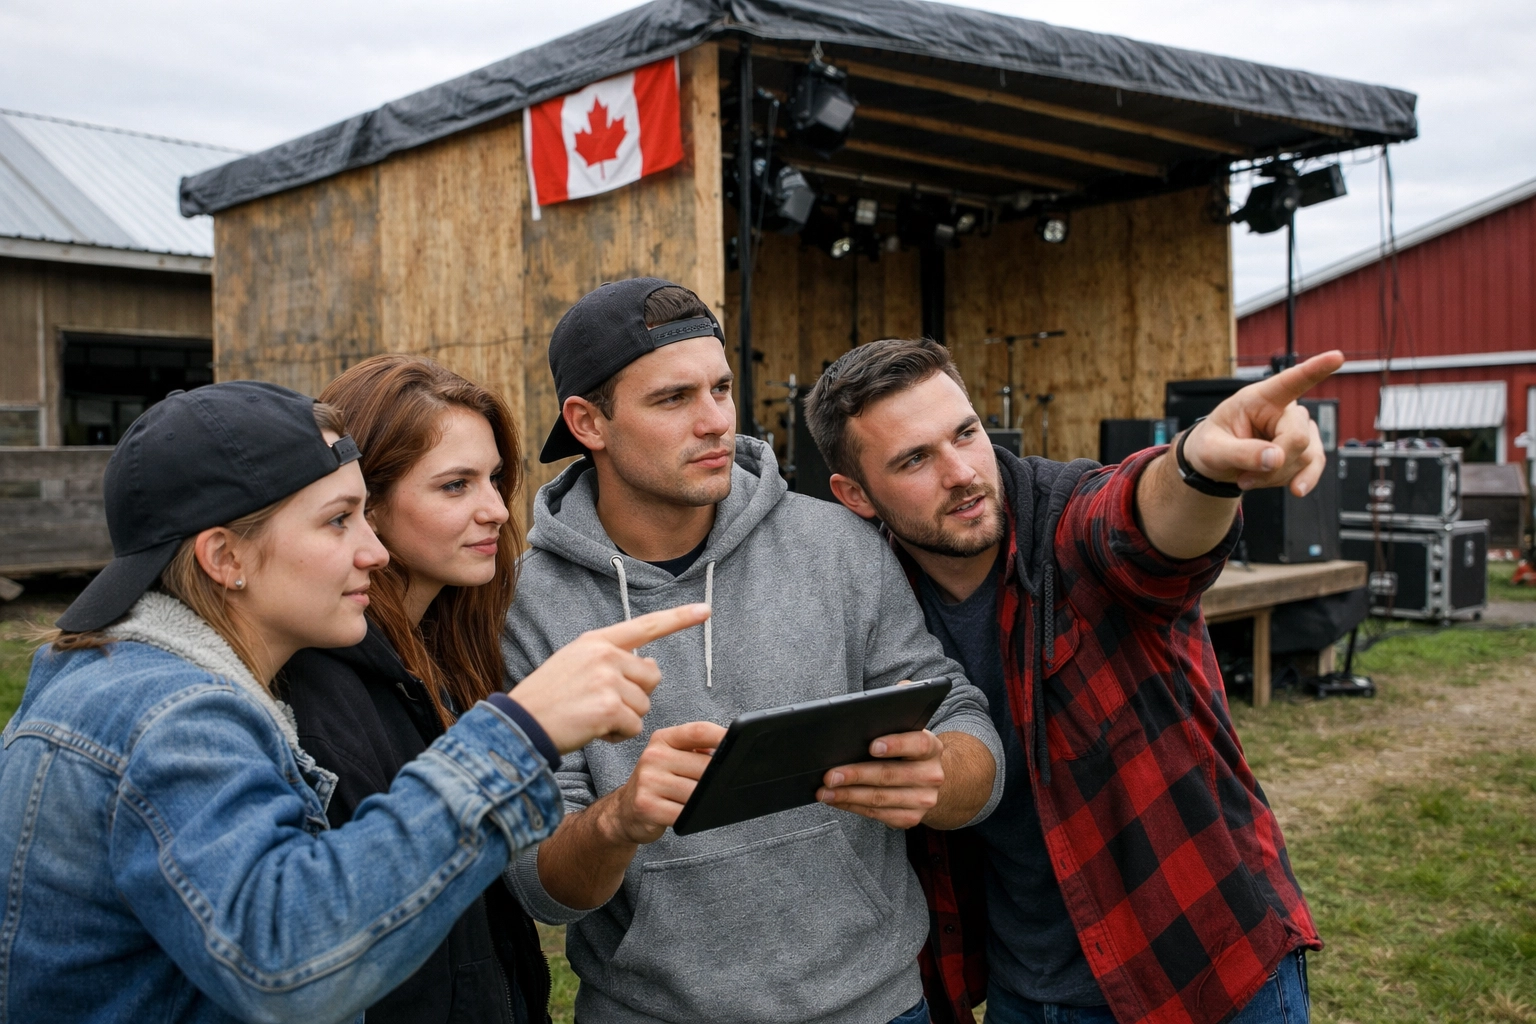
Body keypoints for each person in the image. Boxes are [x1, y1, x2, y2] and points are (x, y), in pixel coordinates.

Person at [0, 380, 708, 1023]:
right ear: (225, 558)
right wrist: (519, 734)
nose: (374, 551)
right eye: (339, 520)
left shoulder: (155, 687)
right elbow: (289, 965)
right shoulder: (169, 716)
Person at [500, 278, 1004, 1024]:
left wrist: (941, 771)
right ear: (588, 422)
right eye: (673, 399)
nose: (714, 422)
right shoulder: (527, 606)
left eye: (721, 388)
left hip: (878, 1005)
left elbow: (961, 720)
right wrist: (618, 820)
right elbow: (540, 887)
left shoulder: (837, 544)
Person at [804, 338, 1340, 1024]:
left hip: (1200, 961)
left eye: (966, 433)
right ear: (855, 495)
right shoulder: (874, 598)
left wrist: (1201, 468)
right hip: (1025, 987)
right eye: (915, 459)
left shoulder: (1066, 519)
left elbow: (1140, 523)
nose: (963, 473)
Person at [277, 355, 553, 1023]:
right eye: (455, 485)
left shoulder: (452, 647)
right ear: (362, 501)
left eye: (495, 479)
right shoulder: (321, 686)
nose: (496, 510)